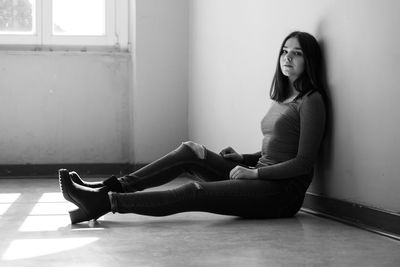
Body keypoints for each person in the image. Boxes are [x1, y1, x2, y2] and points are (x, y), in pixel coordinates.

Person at [59, 31, 327, 224]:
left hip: (281, 193)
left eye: (297, 53)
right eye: (284, 51)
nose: (287, 57)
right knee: (191, 151)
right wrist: (243, 160)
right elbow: (276, 151)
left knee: (194, 192)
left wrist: (254, 174)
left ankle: (105, 203)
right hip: (261, 175)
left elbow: (303, 164)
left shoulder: (311, 100)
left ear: (309, 61)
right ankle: (105, 189)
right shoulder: (283, 98)